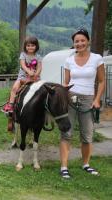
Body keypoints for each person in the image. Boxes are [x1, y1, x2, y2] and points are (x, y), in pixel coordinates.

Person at [59, 28, 105, 178]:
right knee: (66, 133)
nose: (79, 43)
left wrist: (97, 99)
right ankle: (64, 167)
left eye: (82, 40)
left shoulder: (97, 58)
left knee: (87, 135)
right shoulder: (69, 60)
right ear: (73, 43)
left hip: (88, 100)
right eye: (76, 41)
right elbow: (65, 83)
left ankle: (86, 164)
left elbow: (101, 81)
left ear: (88, 41)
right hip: (71, 98)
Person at [2, 36, 42, 114]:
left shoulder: (38, 57)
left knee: (43, 89)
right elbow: (23, 65)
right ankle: (11, 105)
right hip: (23, 77)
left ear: (36, 46)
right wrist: (28, 71)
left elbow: (39, 67)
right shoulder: (23, 55)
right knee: (14, 88)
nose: (30, 47)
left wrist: (36, 75)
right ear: (25, 46)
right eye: (28, 45)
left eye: (32, 45)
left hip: (35, 78)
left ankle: (43, 106)